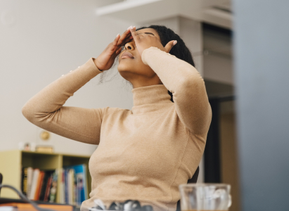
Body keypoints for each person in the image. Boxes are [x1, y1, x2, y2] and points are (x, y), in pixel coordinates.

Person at [22, 25, 212, 211]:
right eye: (128, 42)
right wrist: (95, 65)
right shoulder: (109, 119)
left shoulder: (186, 119)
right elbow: (36, 111)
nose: (128, 45)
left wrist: (151, 54)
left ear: (166, 55)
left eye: (142, 38)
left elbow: (188, 83)